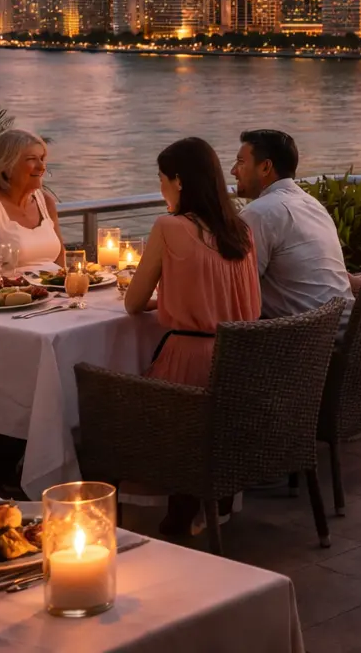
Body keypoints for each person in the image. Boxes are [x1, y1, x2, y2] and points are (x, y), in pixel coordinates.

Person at [122, 136, 262, 536]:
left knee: (104, 395)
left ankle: (172, 513)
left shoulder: (169, 226)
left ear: (179, 181)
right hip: (236, 366)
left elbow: (133, 302)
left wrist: (161, 299)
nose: (161, 188)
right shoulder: (241, 231)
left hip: (188, 367)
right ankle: (207, 504)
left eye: (162, 179)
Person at [231, 129, 361, 330]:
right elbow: (305, 266)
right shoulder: (312, 204)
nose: (233, 170)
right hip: (345, 334)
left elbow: (238, 287)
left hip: (302, 344)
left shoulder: (258, 213)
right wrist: (348, 279)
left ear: (265, 167)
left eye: (241, 162)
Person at [0, 128, 65, 276]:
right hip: (16, 294)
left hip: (56, 293)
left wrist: (63, 285)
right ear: (6, 167)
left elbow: (61, 257)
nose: (41, 167)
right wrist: (25, 285)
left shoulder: (46, 201)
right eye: (31, 159)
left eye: (42, 158)